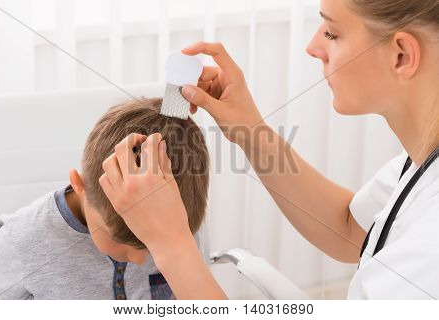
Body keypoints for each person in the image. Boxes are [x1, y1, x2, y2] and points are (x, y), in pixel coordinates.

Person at [99, 0, 439, 299]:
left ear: (401, 55)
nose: (312, 46)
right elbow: (350, 228)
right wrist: (250, 130)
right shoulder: (420, 162)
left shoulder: (427, 256)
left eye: (332, 33)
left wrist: (172, 245)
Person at [0, 98, 210, 299]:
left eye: (152, 247)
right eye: (121, 242)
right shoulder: (20, 242)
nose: (142, 260)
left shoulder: (176, 223)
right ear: (80, 184)